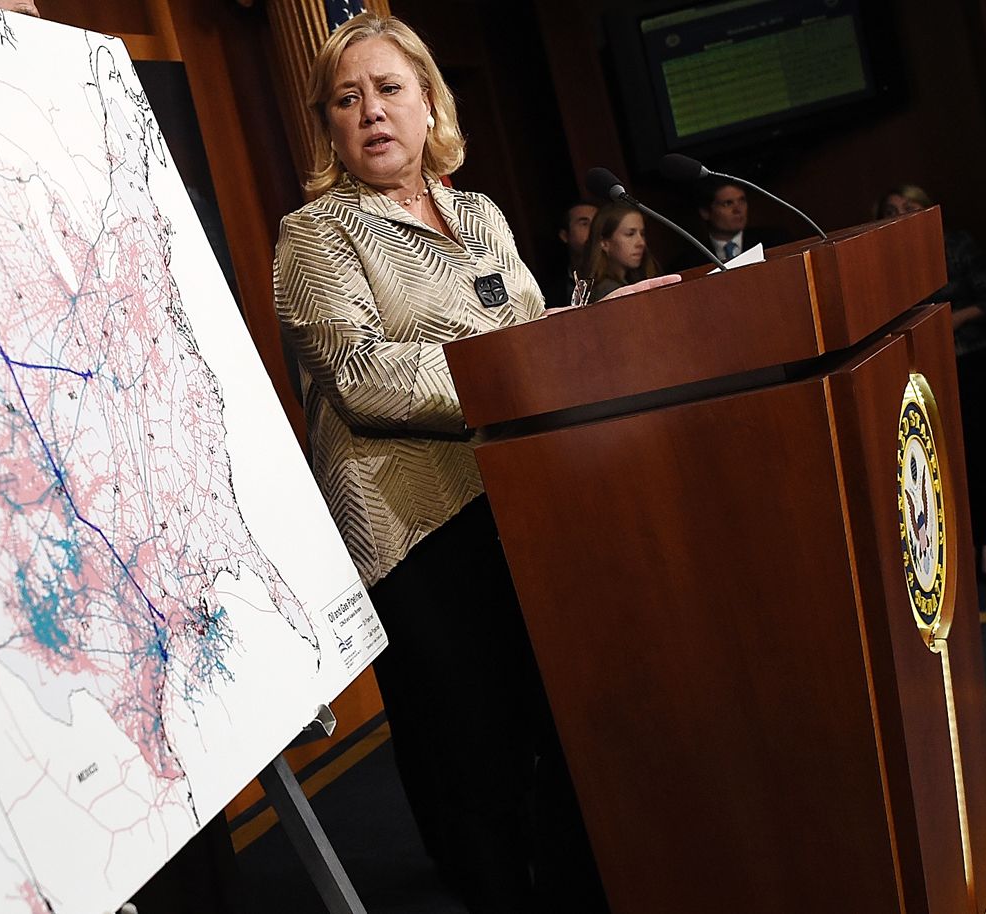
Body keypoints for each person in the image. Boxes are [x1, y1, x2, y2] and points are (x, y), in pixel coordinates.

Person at [273, 13, 665, 912]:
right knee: (474, 750)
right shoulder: (318, 234)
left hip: (521, 499)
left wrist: (586, 336)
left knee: (562, 723)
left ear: (428, 103)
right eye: (346, 98)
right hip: (414, 527)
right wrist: (512, 364)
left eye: (388, 88)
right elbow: (363, 376)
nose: (371, 110)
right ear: (330, 126)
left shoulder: (480, 214)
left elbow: (535, 336)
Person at [878, 185, 986, 579]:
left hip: (971, 358)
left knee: (981, 452)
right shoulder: (880, 259)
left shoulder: (954, 244)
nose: (900, 214)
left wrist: (953, 319)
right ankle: (952, 555)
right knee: (935, 461)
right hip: (916, 370)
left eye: (910, 207)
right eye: (891, 209)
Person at [669, 177, 794, 269]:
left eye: (742, 201)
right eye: (728, 203)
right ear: (705, 212)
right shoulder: (688, 262)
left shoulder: (775, 241)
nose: (738, 210)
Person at [580, 202, 660, 300]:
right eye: (630, 234)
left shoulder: (628, 280)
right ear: (604, 243)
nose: (641, 243)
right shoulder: (608, 292)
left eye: (642, 234)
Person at [543, 200, 598, 308]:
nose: (594, 229)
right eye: (584, 224)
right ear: (564, 236)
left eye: (597, 223)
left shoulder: (619, 276)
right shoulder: (552, 289)